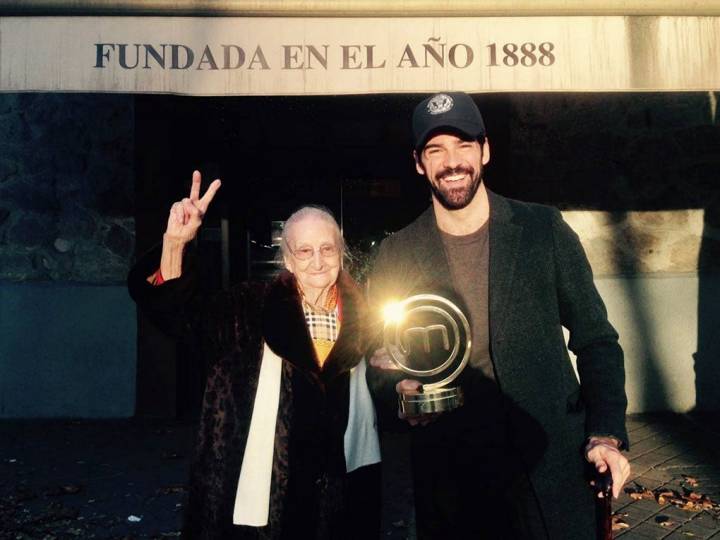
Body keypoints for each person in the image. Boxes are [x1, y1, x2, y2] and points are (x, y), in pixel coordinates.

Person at [367, 92, 631, 539]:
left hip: (549, 462)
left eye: (463, 145)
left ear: (485, 150)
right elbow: (379, 361)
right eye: (436, 150)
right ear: (418, 162)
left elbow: (596, 340)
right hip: (452, 476)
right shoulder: (397, 253)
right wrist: (399, 390)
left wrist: (605, 434)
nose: (452, 162)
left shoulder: (543, 231)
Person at [128, 172, 381, 539]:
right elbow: (179, 316)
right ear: (287, 260)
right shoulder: (247, 308)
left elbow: (383, 390)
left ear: (341, 254)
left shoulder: (365, 319)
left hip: (338, 502)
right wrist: (174, 245)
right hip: (261, 508)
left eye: (327, 249)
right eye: (304, 251)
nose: (317, 261)